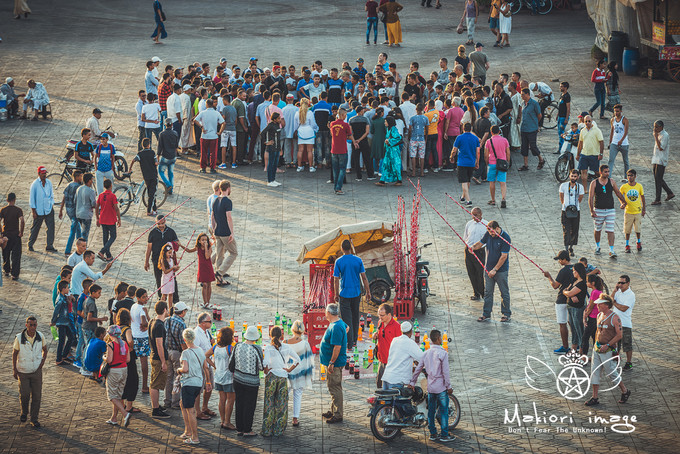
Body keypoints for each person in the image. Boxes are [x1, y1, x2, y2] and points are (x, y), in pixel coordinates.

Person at [584, 295, 631, 407]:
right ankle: (594, 397)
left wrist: (608, 345)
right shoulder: (599, 315)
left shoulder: (615, 318)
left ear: (606, 305)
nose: (597, 305)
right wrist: (596, 344)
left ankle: (625, 391)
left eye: (600, 304)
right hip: (598, 349)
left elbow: (619, 335)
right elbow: (598, 332)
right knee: (594, 372)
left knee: (611, 373)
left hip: (608, 350)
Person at [409, 329, 455, 443]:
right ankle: (444, 434)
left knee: (431, 411)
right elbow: (445, 372)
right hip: (441, 388)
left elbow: (418, 369)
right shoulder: (443, 353)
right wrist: (448, 386)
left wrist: (412, 383)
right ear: (439, 339)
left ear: (430, 340)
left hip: (430, 388)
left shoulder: (426, 353)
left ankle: (433, 433)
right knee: (444, 411)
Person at [261, 326, 300, 437]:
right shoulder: (287, 347)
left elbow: (265, 363)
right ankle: (279, 430)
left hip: (271, 377)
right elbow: (297, 360)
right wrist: (288, 369)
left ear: (270, 335)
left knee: (269, 404)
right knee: (281, 404)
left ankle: (267, 430)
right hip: (283, 377)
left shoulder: (268, 348)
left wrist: (266, 371)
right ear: (281, 336)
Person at [333, 240, 371, 349]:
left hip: (344, 294)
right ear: (351, 248)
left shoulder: (339, 261)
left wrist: (336, 294)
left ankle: (349, 343)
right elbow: (364, 277)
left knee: (346, 319)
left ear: (342, 249)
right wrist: (368, 292)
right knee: (355, 317)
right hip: (356, 293)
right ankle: (354, 341)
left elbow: (336, 279)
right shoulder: (358, 260)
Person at [177, 328, 211, 445]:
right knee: (183, 403)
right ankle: (187, 431)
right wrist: (208, 382)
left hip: (189, 384)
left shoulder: (185, 353)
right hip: (198, 383)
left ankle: (194, 437)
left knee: (190, 410)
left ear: (185, 339)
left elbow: (185, 369)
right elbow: (205, 367)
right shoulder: (200, 350)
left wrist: (179, 370)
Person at [473, 220, 511, 322]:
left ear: (497, 228)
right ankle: (486, 314)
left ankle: (506, 314)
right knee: (488, 293)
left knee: (504, 292)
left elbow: (503, 257)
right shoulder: (488, 234)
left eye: (492, 232)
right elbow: (481, 243)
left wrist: (495, 270)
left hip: (501, 271)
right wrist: (473, 248)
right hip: (488, 269)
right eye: (489, 232)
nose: (491, 234)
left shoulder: (505, 238)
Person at [12, 316, 47, 428]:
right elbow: (14, 353)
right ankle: (24, 412)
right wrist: (14, 368)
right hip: (23, 371)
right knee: (25, 394)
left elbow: (45, 350)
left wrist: (42, 362)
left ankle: (34, 419)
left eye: (35, 325)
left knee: (37, 396)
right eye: (30, 325)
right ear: (26, 325)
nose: (33, 327)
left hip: (36, 370)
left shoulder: (40, 336)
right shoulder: (19, 338)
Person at [588, 164, 627, 258]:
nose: (607, 173)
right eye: (605, 172)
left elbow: (617, 192)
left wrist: (624, 202)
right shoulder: (594, 183)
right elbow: (591, 197)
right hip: (598, 209)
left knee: (610, 230)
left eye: (608, 171)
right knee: (598, 229)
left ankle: (611, 250)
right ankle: (597, 246)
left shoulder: (612, 181)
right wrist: (591, 210)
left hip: (610, 209)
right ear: (600, 172)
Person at [232, 326, 264, 436]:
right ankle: (247, 429)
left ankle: (239, 428)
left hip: (238, 379)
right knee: (249, 405)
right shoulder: (257, 348)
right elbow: (261, 366)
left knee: (239, 403)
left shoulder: (237, 345)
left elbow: (231, 362)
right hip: (251, 382)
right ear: (255, 337)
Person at [319, 303, 347, 424]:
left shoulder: (336, 327)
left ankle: (338, 414)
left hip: (334, 364)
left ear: (329, 313)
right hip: (333, 362)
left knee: (334, 387)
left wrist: (331, 362)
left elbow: (337, 347)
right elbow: (347, 328)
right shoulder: (338, 323)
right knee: (333, 386)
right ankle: (333, 409)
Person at [543, 250, 575, 354]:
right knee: (573, 323)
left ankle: (565, 347)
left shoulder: (563, 271)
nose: (559, 262)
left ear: (565, 259)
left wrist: (549, 277)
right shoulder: (576, 269)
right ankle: (576, 345)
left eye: (560, 260)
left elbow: (555, 286)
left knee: (562, 323)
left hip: (562, 299)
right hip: (573, 299)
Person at [284, 320, 314, 427]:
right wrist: (310, 375)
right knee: (297, 395)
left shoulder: (285, 342)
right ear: (302, 331)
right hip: (300, 373)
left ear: (292, 329)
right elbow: (309, 360)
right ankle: (295, 418)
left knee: (284, 395)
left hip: (287, 371)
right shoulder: (305, 344)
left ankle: (282, 415)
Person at [381, 321, 424, 391]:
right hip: (397, 380)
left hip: (387, 377)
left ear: (401, 331)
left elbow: (400, 355)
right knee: (398, 401)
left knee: (388, 400)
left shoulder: (395, 340)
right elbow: (422, 357)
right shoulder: (410, 343)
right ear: (411, 332)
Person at [145, 214, 180, 301]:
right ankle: (161, 297)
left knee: (172, 277)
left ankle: (175, 298)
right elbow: (149, 248)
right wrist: (146, 261)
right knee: (158, 278)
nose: (161, 225)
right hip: (157, 259)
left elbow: (177, 243)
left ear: (165, 222)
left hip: (169, 259)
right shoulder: (152, 233)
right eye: (158, 224)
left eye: (162, 223)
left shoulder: (171, 231)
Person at [207, 327, 235, 430]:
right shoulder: (230, 348)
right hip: (229, 377)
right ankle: (227, 422)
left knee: (222, 399)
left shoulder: (215, 347)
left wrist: (214, 365)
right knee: (230, 400)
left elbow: (205, 356)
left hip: (218, 376)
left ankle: (222, 420)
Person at [181, 233, 217, 310]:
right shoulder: (198, 247)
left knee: (209, 284)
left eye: (205, 240)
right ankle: (205, 302)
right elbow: (189, 250)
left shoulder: (209, 247)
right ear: (199, 241)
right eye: (202, 240)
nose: (204, 241)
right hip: (202, 268)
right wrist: (181, 245)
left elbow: (207, 256)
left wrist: (207, 247)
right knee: (204, 285)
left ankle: (208, 301)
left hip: (208, 267)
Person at [211, 180, 237, 286]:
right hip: (225, 232)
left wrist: (213, 230)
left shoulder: (215, 200)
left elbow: (212, 216)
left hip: (217, 231)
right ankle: (220, 272)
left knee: (219, 254)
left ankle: (219, 279)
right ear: (228, 188)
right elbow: (229, 217)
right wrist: (232, 232)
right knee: (234, 253)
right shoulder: (227, 201)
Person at [164, 301, 189, 410]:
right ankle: (175, 402)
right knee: (177, 377)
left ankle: (167, 401)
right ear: (182, 312)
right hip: (177, 352)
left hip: (167, 351)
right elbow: (183, 342)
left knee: (169, 377)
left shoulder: (167, 320)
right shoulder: (181, 324)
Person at [149, 300, 171, 419]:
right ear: (164, 310)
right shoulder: (159, 325)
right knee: (155, 384)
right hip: (158, 358)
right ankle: (155, 409)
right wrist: (163, 362)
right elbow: (159, 345)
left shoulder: (152, 321)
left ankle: (156, 405)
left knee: (155, 382)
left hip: (153, 356)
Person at [192, 313, 216, 421]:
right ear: (202, 323)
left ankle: (205, 407)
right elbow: (195, 350)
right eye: (209, 321)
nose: (211, 323)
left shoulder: (206, 332)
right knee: (199, 389)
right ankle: (198, 412)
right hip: (200, 365)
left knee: (209, 387)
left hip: (208, 363)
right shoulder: (196, 334)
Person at [28, 166, 56, 253]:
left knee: (51, 228)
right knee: (35, 228)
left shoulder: (49, 183)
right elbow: (32, 199)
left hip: (48, 209)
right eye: (43, 173)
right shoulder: (35, 184)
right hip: (39, 210)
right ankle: (30, 244)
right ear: (39, 174)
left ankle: (49, 245)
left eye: (45, 173)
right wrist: (33, 211)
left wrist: (51, 204)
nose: (44, 175)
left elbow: (51, 195)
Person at [117, 309, 140, 414]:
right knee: (132, 380)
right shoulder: (127, 330)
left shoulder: (116, 328)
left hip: (119, 358)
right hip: (128, 357)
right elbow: (130, 341)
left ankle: (121, 404)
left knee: (122, 381)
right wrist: (130, 347)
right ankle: (129, 406)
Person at [451, 123, 480, 206]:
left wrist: (451, 157)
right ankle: (463, 197)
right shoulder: (475, 138)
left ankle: (468, 200)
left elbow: (454, 150)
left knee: (463, 181)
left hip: (462, 162)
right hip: (471, 162)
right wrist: (477, 161)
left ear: (463, 129)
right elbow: (477, 151)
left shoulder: (459, 137)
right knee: (467, 180)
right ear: (471, 129)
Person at [561, 262, 587, 353]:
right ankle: (574, 348)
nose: (573, 273)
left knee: (579, 329)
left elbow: (569, 292)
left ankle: (582, 351)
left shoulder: (582, 283)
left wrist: (569, 294)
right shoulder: (574, 281)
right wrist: (570, 295)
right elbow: (566, 290)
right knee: (573, 328)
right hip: (570, 307)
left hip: (578, 309)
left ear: (578, 271)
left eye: (574, 271)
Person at [194, 98, 225, 173]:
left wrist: (201, 126)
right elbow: (223, 123)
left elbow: (195, 120)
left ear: (207, 104)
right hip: (214, 136)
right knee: (213, 153)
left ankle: (203, 167)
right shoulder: (216, 113)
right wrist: (220, 132)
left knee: (203, 152)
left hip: (204, 135)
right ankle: (212, 168)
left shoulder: (203, 113)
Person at [517, 88, 545, 171]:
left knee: (533, 146)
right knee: (524, 146)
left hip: (532, 129)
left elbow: (539, 115)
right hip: (524, 128)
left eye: (523, 94)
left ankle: (541, 159)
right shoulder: (523, 103)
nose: (521, 96)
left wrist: (535, 123)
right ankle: (525, 165)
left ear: (527, 94)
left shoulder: (534, 104)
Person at [611, 275, 635, 371]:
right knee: (615, 345)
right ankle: (615, 361)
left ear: (628, 283)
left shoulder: (631, 295)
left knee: (627, 345)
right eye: (619, 282)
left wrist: (614, 303)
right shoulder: (618, 292)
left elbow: (623, 308)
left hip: (625, 323)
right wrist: (614, 290)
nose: (620, 284)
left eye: (622, 283)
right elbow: (610, 300)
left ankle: (629, 362)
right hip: (615, 323)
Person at [130, 288, 151, 393]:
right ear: (138, 298)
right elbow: (144, 322)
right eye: (144, 297)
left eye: (146, 296)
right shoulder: (142, 309)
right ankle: (144, 385)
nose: (146, 299)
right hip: (142, 337)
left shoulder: (133, 306)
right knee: (144, 363)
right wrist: (147, 318)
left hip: (134, 336)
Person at [463, 207, 487, 301]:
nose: (474, 217)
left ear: (480, 214)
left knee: (479, 272)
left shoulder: (486, 224)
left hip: (479, 251)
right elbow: (465, 236)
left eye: (476, 215)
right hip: (468, 251)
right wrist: (468, 247)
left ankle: (482, 292)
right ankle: (475, 292)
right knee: (471, 272)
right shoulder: (469, 224)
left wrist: (477, 247)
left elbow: (486, 241)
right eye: (472, 215)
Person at [559, 169, 584, 256]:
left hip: (575, 211)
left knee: (574, 230)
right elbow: (561, 197)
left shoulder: (580, 187)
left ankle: (571, 247)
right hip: (565, 210)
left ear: (578, 177)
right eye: (572, 176)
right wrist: (565, 205)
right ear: (569, 176)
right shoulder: (563, 185)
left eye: (575, 176)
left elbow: (580, 199)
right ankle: (566, 248)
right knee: (566, 230)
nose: (573, 178)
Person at [95, 179, 121, 262]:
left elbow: (96, 206)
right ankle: (102, 251)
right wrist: (119, 219)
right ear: (111, 185)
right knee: (113, 236)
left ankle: (108, 255)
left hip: (103, 219)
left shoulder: (101, 195)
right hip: (111, 219)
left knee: (105, 237)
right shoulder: (113, 196)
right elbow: (116, 208)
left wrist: (97, 218)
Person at [619, 169, 645, 253]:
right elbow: (620, 195)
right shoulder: (624, 187)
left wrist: (644, 208)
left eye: (631, 175)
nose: (630, 177)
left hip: (637, 211)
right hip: (628, 212)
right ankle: (627, 244)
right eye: (628, 175)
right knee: (627, 230)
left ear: (635, 176)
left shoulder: (639, 186)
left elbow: (642, 197)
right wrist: (622, 203)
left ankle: (638, 242)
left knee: (638, 229)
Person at [1, 193, 25, 280]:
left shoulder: (3, 210)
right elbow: (22, 220)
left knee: (6, 254)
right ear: (14, 199)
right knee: (16, 255)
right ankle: (15, 274)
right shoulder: (18, 210)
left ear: (7, 200)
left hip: (6, 235)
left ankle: (6, 270)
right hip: (15, 235)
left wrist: (1, 233)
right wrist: (21, 232)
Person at [50, 281, 75, 365]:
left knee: (71, 337)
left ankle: (64, 355)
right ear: (63, 289)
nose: (68, 289)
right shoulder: (60, 300)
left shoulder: (64, 297)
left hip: (66, 322)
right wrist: (53, 321)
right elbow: (56, 312)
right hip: (61, 323)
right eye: (67, 288)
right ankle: (58, 359)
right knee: (62, 341)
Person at [484, 125, 508, 207]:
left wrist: (487, 162)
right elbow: (508, 152)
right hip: (502, 163)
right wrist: (507, 161)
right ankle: (503, 199)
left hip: (492, 163)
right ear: (499, 131)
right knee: (503, 182)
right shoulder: (504, 140)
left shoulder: (488, 141)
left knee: (492, 182)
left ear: (491, 132)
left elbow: (486, 155)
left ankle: (493, 200)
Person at [651, 120, 673, 205]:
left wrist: (656, 137)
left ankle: (658, 199)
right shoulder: (658, 133)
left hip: (661, 159)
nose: (655, 129)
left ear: (661, 127)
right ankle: (669, 193)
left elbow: (661, 148)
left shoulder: (665, 135)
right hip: (656, 158)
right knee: (658, 178)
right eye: (654, 127)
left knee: (658, 179)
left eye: (657, 127)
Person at [376, 116, 403, 186]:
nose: (384, 123)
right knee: (386, 164)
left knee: (394, 164)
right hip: (390, 150)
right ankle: (383, 180)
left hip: (393, 151)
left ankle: (398, 180)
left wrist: (389, 141)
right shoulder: (390, 129)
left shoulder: (393, 129)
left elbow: (398, 138)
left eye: (385, 121)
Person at [581, 274, 604, 355]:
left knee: (585, 337)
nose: (586, 283)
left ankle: (584, 356)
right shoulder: (599, 292)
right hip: (596, 318)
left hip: (593, 318)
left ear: (593, 283)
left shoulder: (595, 292)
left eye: (588, 282)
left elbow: (590, 306)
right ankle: (596, 355)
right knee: (595, 337)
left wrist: (585, 316)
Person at [261, 112, 284, 187]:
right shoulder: (270, 125)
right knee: (270, 164)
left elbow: (278, 138)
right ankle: (269, 180)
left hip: (277, 148)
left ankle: (273, 179)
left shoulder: (277, 125)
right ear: (274, 119)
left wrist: (280, 148)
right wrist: (266, 142)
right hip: (272, 148)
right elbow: (262, 133)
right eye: (278, 118)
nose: (280, 120)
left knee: (275, 164)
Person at [608, 104, 630, 181]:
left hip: (624, 144)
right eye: (615, 111)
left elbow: (626, 131)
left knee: (625, 161)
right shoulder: (612, 120)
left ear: (621, 111)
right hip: (614, 143)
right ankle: (608, 176)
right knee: (611, 160)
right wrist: (610, 142)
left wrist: (621, 140)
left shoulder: (625, 120)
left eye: (617, 111)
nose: (616, 113)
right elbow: (612, 131)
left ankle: (626, 177)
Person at [157, 118, 178, 193]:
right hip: (173, 156)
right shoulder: (175, 133)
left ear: (165, 125)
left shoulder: (162, 134)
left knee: (161, 171)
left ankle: (168, 185)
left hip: (165, 156)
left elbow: (160, 146)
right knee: (171, 173)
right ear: (172, 125)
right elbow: (176, 146)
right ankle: (170, 190)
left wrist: (158, 156)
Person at [75, 173, 96, 241]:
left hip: (78, 213)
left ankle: (80, 246)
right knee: (85, 234)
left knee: (81, 232)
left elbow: (75, 200)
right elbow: (93, 204)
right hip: (86, 215)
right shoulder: (91, 191)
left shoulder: (79, 188)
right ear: (89, 180)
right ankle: (83, 248)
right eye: (92, 180)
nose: (92, 181)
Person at [158, 243, 179, 308]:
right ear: (164, 253)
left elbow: (173, 271)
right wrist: (172, 268)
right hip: (165, 279)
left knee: (171, 294)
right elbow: (165, 271)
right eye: (169, 253)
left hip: (171, 279)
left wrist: (176, 268)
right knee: (164, 295)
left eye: (171, 253)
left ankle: (170, 308)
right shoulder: (163, 260)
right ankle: (161, 307)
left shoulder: (172, 260)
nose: (170, 254)